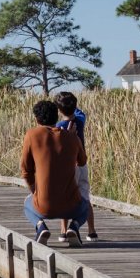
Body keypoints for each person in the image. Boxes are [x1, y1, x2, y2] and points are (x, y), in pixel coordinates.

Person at [21, 98, 89, 246]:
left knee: (27, 204)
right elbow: (82, 161)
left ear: (36, 119)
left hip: (44, 207)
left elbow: (26, 171)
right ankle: (74, 227)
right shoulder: (72, 137)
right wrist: (72, 138)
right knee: (85, 207)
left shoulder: (31, 135)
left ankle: (40, 227)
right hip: (72, 206)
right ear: (56, 116)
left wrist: (34, 191)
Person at [54, 91, 98, 241]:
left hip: (67, 166)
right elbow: (80, 112)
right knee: (85, 197)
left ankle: (63, 231)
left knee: (65, 196)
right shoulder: (80, 120)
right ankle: (91, 231)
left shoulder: (58, 126)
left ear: (59, 110)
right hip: (81, 163)